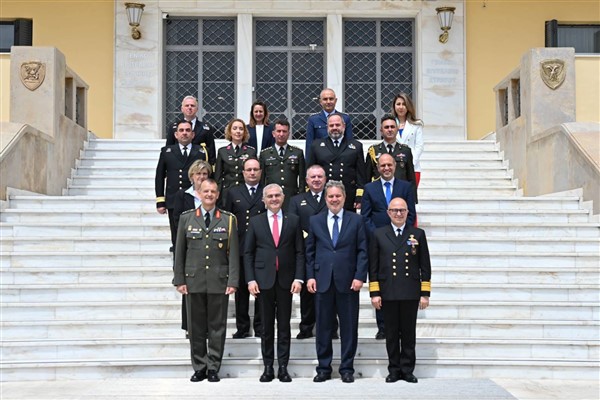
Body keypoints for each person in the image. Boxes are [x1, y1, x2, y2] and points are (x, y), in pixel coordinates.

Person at [173, 179, 239, 383]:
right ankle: (199, 366)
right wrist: (179, 279)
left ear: (218, 195)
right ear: (199, 194)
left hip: (219, 280)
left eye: (213, 191)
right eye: (205, 191)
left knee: (217, 326)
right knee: (196, 326)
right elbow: (180, 252)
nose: (209, 194)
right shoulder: (187, 219)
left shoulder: (228, 219)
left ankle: (213, 366)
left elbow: (234, 253)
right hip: (194, 280)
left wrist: (233, 280)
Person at [305, 181, 368, 384]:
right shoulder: (315, 221)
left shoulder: (356, 221)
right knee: (323, 326)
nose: (334, 200)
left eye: (338, 196)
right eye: (330, 196)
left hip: (348, 282)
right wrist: (310, 276)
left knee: (349, 327)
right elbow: (310, 252)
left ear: (344, 198)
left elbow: (362, 251)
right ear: (325, 198)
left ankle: (347, 368)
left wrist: (359, 276)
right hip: (322, 280)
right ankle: (324, 368)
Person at [244, 184, 305, 383]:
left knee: (285, 326)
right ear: (264, 199)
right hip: (263, 281)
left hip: (287, 281)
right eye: (270, 196)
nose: (274, 199)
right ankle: (268, 366)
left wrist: (298, 278)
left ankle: (283, 367)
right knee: (266, 327)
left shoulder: (294, 221)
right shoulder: (255, 222)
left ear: (283, 197)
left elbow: (299, 252)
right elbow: (248, 253)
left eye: (277, 195)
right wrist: (251, 279)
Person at [368, 197, 431, 384]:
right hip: (388, 292)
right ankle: (394, 369)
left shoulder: (417, 234)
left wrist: (425, 293)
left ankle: (408, 370)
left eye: (402, 210)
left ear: (407, 212)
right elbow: (373, 267)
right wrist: (375, 292)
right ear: (388, 213)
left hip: (410, 292)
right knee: (392, 334)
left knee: (409, 333)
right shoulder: (379, 234)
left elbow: (425, 266)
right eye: (394, 210)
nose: (398, 213)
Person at [361, 153, 417, 340]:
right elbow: (366, 217)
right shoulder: (369, 188)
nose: (386, 168)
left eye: (389, 165)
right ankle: (383, 326)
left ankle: (401, 325)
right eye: (382, 165)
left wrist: (400, 235)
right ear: (378, 168)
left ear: (395, 166)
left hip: (401, 243)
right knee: (379, 282)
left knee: (400, 282)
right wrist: (378, 237)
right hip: (378, 244)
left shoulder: (406, 187)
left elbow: (410, 215)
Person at [288, 164, 339, 340]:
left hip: (327, 250)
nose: (316, 180)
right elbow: (293, 226)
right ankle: (306, 326)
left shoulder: (332, 198)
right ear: (307, 180)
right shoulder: (296, 200)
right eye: (313, 177)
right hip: (305, 251)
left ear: (325, 180)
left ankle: (332, 328)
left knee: (330, 290)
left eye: (320, 177)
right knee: (307, 293)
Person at [223, 157, 265, 339]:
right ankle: (242, 327)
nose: (252, 173)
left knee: (261, 289)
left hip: (262, 248)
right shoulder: (233, 192)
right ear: (243, 172)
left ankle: (261, 326)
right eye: (249, 170)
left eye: (255, 169)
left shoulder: (267, 191)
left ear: (261, 172)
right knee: (240, 290)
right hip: (240, 247)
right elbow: (227, 220)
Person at [172, 159, 213, 335]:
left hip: (210, 248)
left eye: (205, 174)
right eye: (198, 174)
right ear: (191, 177)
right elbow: (176, 223)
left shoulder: (212, 195)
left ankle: (208, 326)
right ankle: (190, 326)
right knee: (190, 291)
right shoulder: (183, 196)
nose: (201, 177)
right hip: (190, 249)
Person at [155, 120, 208, 251]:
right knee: (176, 233)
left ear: (193, 134)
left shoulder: (201, 151)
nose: (184, 133)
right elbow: (160, 176)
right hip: (174, 198)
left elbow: (206, 176)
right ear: (176, 134)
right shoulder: (167, 151)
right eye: (181, 130)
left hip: (194, 198)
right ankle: (177, 262)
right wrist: (160, 201)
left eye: (188, 130)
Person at [307, 113, 366, 211]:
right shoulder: (316, 146)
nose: (334, 128)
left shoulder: (356, 146)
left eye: (337, 125)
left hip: (348, 196)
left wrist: (359, 197)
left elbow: (361, 175)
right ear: (327, 127)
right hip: (324, 196)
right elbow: (309, 171)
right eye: (331, 125)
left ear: (344, 126)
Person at [259, 119, 306, 210]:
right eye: (278, 131)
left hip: (291, 198)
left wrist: (301, 197)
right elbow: (262, 180)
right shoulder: (265, 154)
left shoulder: (298, 153)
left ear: (288, 134)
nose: (281, 134)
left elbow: (302, 179)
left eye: (284, 131)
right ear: (273, 133)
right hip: (271, 197)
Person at [214, 118, 257, 207]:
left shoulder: (251, 151)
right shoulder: (222, 151)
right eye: (235, 128)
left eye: (241, 129)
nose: (238, 131)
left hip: (245, 191)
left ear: (245, 132)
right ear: (229, 131)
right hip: (227, 192)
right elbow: (218, 176)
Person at [365, 115, 416, 187]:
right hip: (379, 193)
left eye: (392, 127)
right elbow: (367, 179)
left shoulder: (406, 151)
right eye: (386, 127)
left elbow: (411, 179)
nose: (390, 129)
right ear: (381, 131)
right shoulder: (373, 151)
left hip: (400, 194)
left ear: (397, 129)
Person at [165, 95, 216, 165]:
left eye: (192, 105)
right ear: (182, 109)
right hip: (179, 166)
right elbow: (168, 148)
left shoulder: (206, 128)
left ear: (197, 109)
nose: (189, 107)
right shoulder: (174, 127)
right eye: (187, 105)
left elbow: (211, 152)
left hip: (198, 168)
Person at [305, 88, 352, 160]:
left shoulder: (345, 118)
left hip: (340, 159)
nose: (328, 101)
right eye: (325, 99)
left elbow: (349, 141)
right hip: (320, 160)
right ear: (320, 101)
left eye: (331, 99)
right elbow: (309, 145)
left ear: (336, 101)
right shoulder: (313, 119)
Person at [391, 93, 424, 188]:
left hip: (413, 168)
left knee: (409, 198)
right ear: (394, 106)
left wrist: (409, 163)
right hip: (393, 168)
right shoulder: (390, 124)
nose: (401, 107)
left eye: (404, 104)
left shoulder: (416, 125)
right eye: (398, 104)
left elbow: (419, 147)